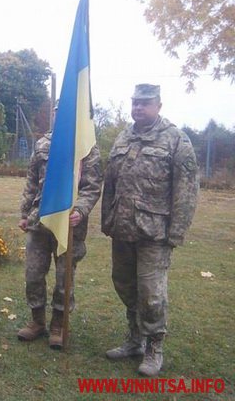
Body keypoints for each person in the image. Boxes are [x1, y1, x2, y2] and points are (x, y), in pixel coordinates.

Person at [101, 83, 198, 377]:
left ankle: (155, 346)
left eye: (144, 103)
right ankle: (135, 339)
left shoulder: (175, 140)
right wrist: (107, 220)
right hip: (123, 230)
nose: (138, 108)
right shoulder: (123, 137)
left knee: (151, 294)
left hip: (155, 233)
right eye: (134, 103)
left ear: (158, 105)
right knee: (124, 284)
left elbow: (187, 190)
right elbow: (110, 183)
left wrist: (176, 232)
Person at [17, 114, 102, 349]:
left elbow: (93, 186)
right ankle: (37, 321)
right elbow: (31, 181)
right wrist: (24, 214)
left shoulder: (86, 147)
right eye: (57, 111)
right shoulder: (43, 143)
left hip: (69, 224)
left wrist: (82, 210)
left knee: (64, 278)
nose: (60, 115)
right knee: (33, 274)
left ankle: (58, 324)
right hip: (39, 220)